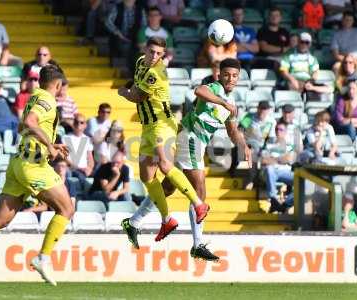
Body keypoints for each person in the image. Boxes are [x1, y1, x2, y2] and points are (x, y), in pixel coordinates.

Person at [121, 58, 252, 260]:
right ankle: (198, 244)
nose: (230, 78)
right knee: (199, 191)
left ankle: (134, 222)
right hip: (189, 138)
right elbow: (199, 91)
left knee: (168, 187)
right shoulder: (214, 88)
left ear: (239, 78)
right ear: (220, 75)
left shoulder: (231, 103)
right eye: (226, 74)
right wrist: (222, 101)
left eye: (234, 75)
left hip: (196, 144)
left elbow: (232, 131)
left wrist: (244, 146)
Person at [0, 65, 74, 286]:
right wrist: (49, 144)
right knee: (67, 209)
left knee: (1, 219)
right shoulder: (47, 101)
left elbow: (23, 126)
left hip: (18, 163)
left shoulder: (34, 97)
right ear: (58, 85)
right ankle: (43, 257)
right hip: (33, 166)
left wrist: (50, 143)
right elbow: (30, 122)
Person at [118, 37, 209, 242]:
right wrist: (129, 85)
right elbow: (135, 80)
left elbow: (137, 96)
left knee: (166, 165)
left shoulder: (156, 73)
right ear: (145, 49)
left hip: (162, 124)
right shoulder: (141, 62)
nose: (154, 57)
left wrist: (123, 92)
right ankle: (167, 219)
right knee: (147, 176)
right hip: (147, 126)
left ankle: (198, 203)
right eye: (152, 52)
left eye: (159, 54)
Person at [280, 32, 333, 98]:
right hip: (293, 80)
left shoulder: (312, 58)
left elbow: (315, 72)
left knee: (327, 88)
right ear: (298, 42)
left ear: (310, 44)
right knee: (291, 86)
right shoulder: (288, 55)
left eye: (307, 42)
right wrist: (292, 80)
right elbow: (283, 71)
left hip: (307, 82)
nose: (304, 44)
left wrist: (310, 82)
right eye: (302, 42)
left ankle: (315, 107)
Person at [262, 121, 296, 213]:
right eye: (276, 129)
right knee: (269, 169)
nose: (278, 131)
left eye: (281, 129)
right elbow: (264, 161)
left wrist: (273, 159)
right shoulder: (268, 144)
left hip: (286, 172)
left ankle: (285, 204)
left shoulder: (289, 145)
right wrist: (281, 159)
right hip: (270, 172)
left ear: (285, 132)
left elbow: (289, 158)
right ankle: (273, 200)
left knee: (303, 181)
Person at [62, 113, 94, 187]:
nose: (78, 124)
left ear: (85, 125)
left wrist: (90, 168)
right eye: (76, 122)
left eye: (81, 122)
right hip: (70, 168)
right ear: (73, 123)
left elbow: (90, 158)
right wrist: (79, 168)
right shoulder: (65, 138)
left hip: (83, 170)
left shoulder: (87, 139)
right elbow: (64, 157)